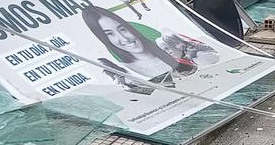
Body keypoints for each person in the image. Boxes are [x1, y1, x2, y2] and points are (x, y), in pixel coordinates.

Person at [82, 6, 215, 91]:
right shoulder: (129, 72)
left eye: (122, 29)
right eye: (109, 34)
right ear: (104, 39)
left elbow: (214, 59)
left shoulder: (167, 46)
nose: (124, 38)